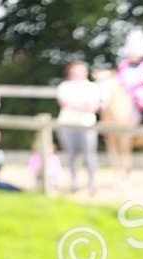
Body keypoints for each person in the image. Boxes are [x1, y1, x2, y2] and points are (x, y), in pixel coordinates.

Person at [55, 60, 100, 193]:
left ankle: (92, 182)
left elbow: (93, 107)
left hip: (86, 126)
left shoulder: (92, 87)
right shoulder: (64, 86)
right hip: (67, 125)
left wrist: (73, 104)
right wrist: (83, 106)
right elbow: (64, 103)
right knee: (70, 156)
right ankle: (74, 182)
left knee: (89, 156)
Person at [116, 28, 143, 124]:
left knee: (141, 98)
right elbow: (119, 76)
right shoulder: (124, 64)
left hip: (138, 88)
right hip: (123, 88)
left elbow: (141, 78)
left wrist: (129, 86)